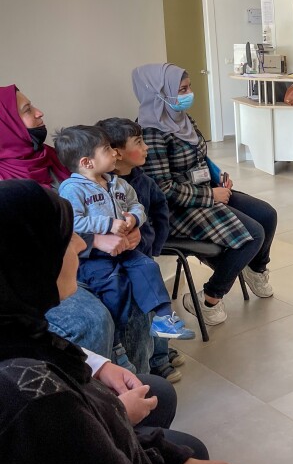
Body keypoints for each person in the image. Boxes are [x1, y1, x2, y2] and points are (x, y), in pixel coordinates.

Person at [0, 179, 279, 464]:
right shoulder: (37, 400)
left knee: (180, 430)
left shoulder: (27, 341)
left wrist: (179, 462)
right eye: (67, 238)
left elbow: (101, 429)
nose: (80, 244)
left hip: (125, 448)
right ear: (27, 261)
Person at [0, 85, 154, 372]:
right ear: (6, 126)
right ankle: (101, 393)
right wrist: (92, 240)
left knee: (137, 284)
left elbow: (112, 200)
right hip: (44, 272)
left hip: (85, 256)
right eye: (26, 111)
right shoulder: (5, 181)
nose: (39, 112)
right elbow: (17, 252)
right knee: (91, 319)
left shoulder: (52, 158)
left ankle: (141, 370)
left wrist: (131, 228)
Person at [133, 63, 278, 326]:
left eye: (189, 87)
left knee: (267, 215)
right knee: (253, 234)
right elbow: (163, 189)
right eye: (182, 89)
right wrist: (210, 196)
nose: (189, 94)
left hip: (205, 190)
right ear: (159, 94)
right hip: (178, 207)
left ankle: (255, 270)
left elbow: (200, 157)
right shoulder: (151, 134)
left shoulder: (182, 119)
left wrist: (217, 177)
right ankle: (209, 298)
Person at [55, 125, 195, 341]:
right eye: (107, 149)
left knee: (148, 267)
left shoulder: (118, 183)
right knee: (115, 286)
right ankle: (118, 340)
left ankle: (164, 318)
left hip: (126, 250)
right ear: (86, 162)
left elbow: (136, 205)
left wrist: (134, 219)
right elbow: (73, 222)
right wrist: (108, 224)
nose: (115, 153)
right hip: (94, 258)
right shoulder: (72, 189)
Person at [97, 116, 187, 383]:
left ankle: (160, 355)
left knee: (157, 307)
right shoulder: (100, 188)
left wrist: (155, 245)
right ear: (117, 152)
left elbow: (160, 212)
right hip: (117, 261)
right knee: (142, 311)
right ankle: (151, 361)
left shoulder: (144, 181)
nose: (146, 147)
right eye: (138, 142)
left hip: (143, 256)